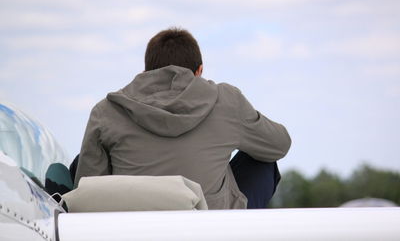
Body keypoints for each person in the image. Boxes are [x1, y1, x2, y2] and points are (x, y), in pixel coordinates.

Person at [74, 28, 291, 209]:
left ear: (147, 71)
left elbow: (88, 189)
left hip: (134, 230)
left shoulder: (106, 111)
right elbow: (279, 145)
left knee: (83, 162)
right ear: (199, 71)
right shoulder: (227, 101)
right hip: (214, 230)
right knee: (263, 160)